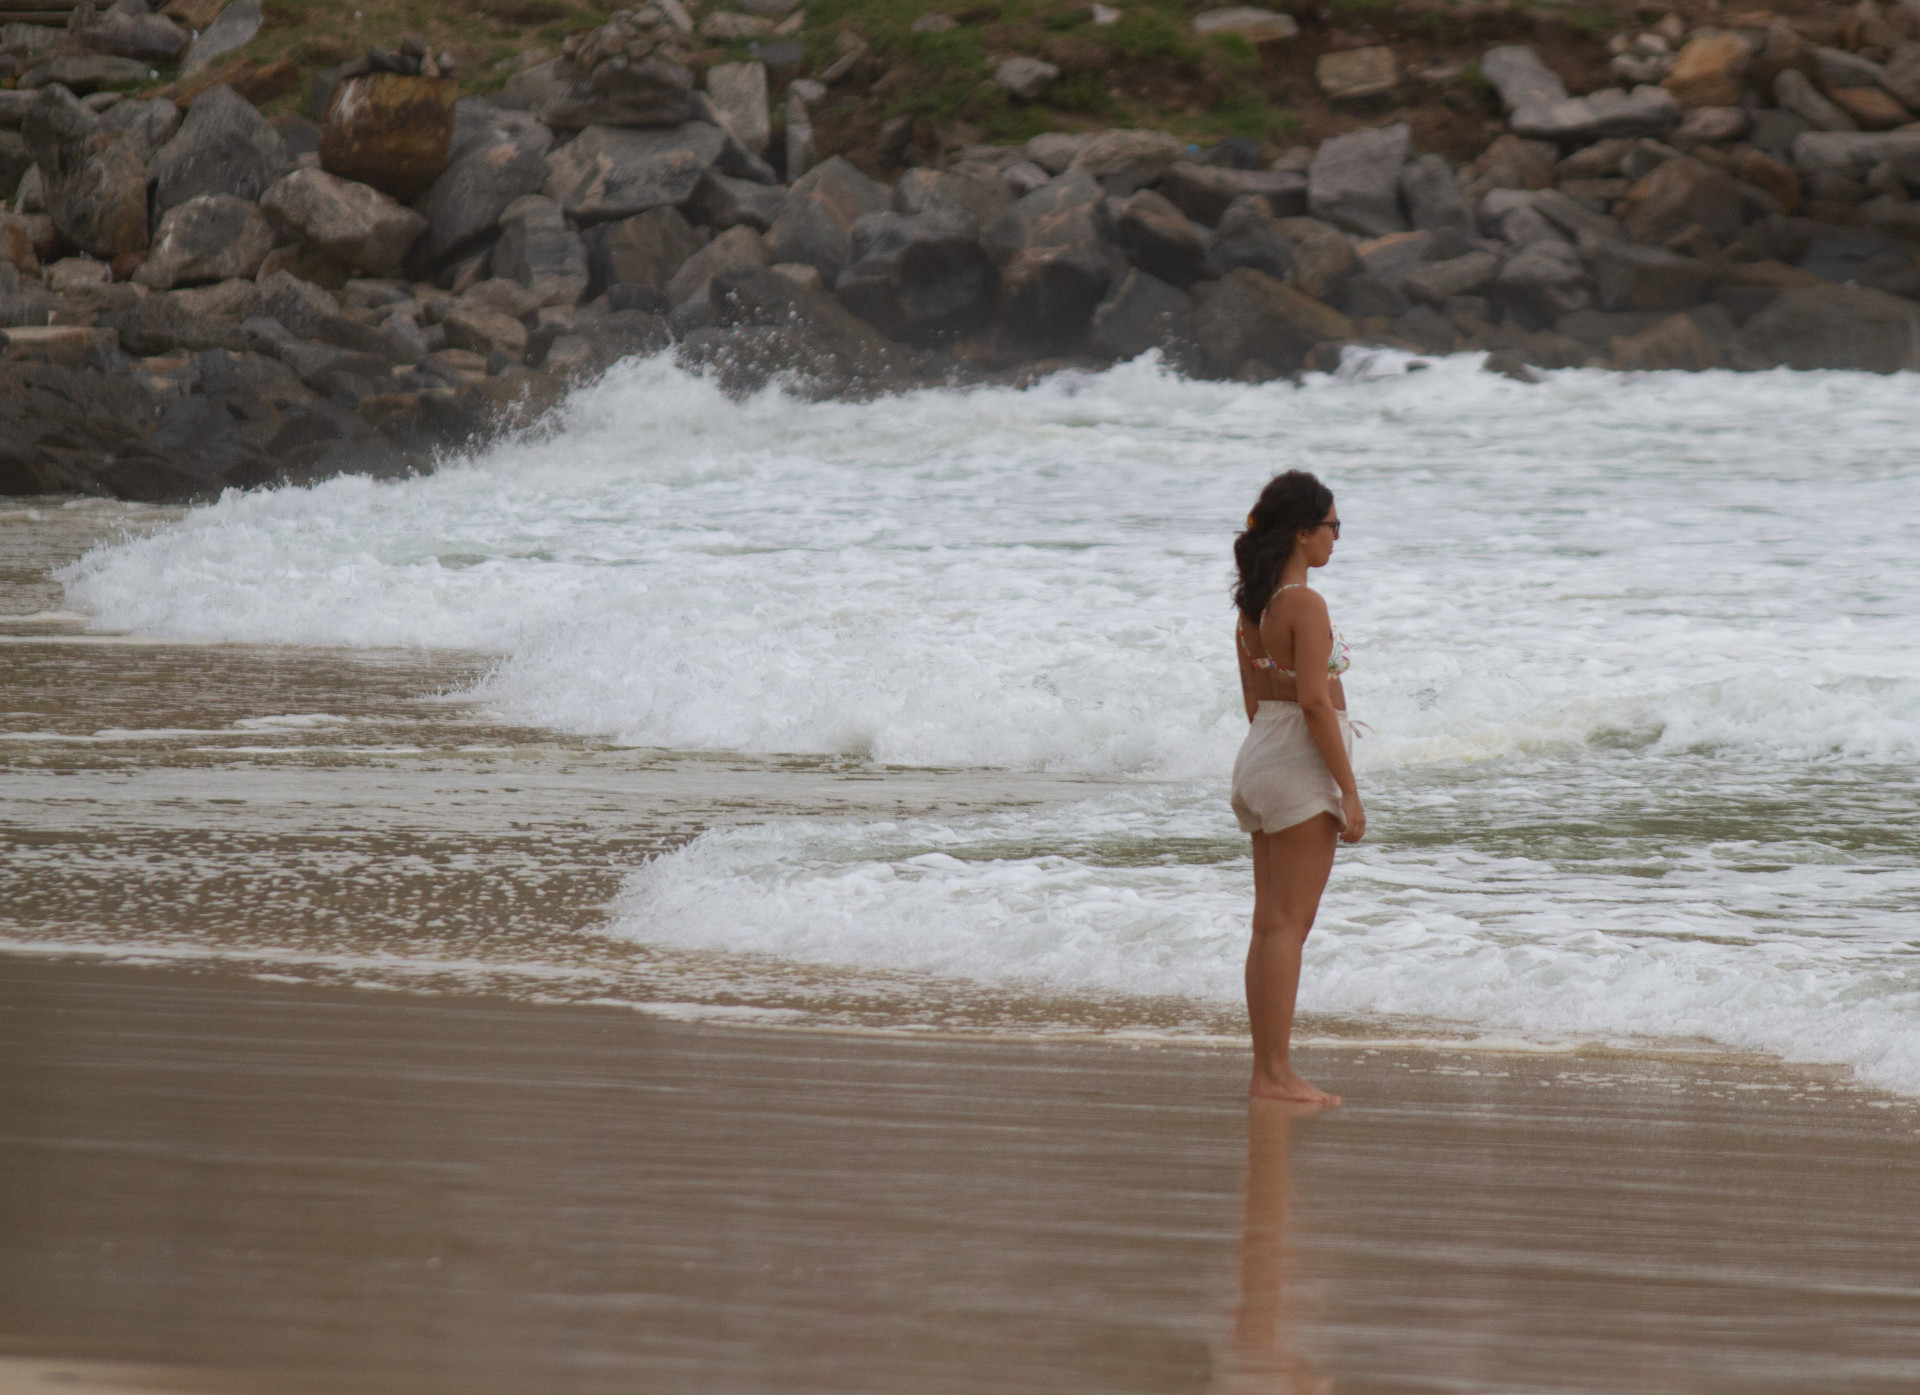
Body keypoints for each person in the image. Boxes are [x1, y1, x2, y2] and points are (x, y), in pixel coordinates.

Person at [1230, 471, 1363, 1106]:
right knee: (1289, 927)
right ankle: (1276, 1076)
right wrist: (1350, 791)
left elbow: (1256, 701)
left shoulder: (1254, 606)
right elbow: (1314, 701)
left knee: (1268, 925)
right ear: (1303, 533)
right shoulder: (1304, 604)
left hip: (1260, 758)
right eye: (1333, 527)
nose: (1338, 539)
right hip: (1297, 761)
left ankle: (1268, 1073)